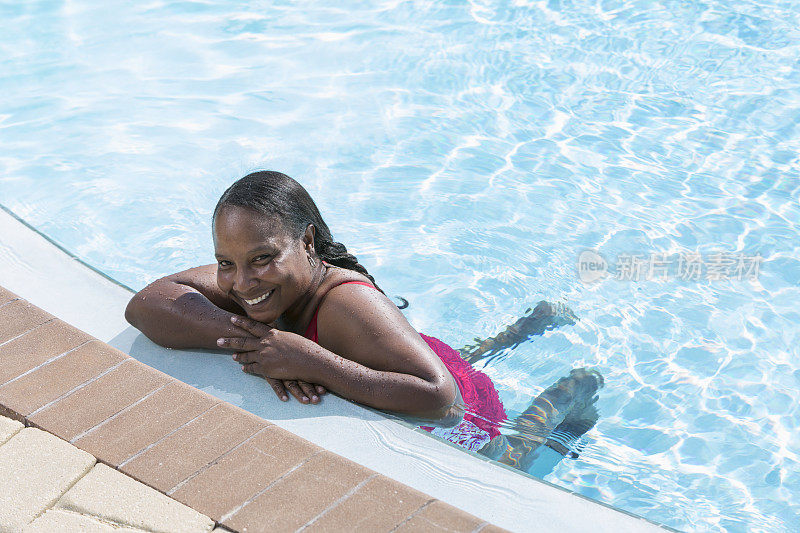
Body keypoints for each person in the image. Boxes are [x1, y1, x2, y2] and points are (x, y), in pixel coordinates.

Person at [125, 171, 603, 475]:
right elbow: (147, 305)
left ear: (306, 242)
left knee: (524, 444)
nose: (242, 283)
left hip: (459, 408)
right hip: (395, 349)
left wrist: (312, 362)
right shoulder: (249, 279)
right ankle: (523, 329)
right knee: (426, 346)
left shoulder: (346, 304)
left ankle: (576, 387)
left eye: (263, 258)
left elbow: (441, 400)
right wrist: (262, 341)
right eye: (225, 262)